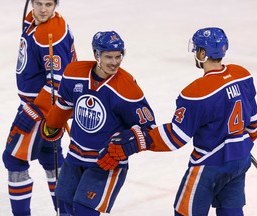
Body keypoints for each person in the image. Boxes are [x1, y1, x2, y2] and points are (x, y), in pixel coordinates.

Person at [98, 27, 257, 216]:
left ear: (203, 53)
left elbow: (176, 137)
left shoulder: (196, 92)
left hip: (209, 164)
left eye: (197, 49)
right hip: (240, 159)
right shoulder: (242, 75)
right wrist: (239, 148)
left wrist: (139, 140)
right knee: (231, 211)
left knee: (184, 213)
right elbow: (253, 124)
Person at [40, 31, 156, 215]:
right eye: (109, 57)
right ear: (96, 55)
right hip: (75, 156)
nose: (115, 62)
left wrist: (125, 147)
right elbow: (64, 105)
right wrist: (52, 125)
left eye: (118, 56)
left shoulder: (127, 88)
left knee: (84, 210)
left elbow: (148, 129)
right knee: (64, 206)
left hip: (105, 162)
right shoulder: (74, 73)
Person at [2, 0, 77, 215]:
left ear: (56, 6)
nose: (43, 9)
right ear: (31, 4)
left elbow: (58, 81)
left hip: (40, 108)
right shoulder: (37, 22)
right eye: (39, 3)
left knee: (14, 159)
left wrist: (37, 111)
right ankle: (66, 212)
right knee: (50, 157)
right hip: (46, 108)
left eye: (48, 4)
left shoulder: (50, 33)